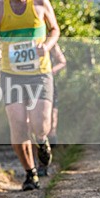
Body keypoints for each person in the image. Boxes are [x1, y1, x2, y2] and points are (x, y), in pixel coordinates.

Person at [0, 0, 60, 191]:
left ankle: (43, 142)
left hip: (40, 73)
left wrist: (47, 45)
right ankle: (30, 173)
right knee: (18, 125)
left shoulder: (40, 3)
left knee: (39, 124)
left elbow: (55, 29)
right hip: (11, 75)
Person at [38, 42, 66, 175]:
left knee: (52, 123)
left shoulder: (51, 43)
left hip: (48, 84)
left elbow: (62, 61)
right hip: (27, 84)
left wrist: (51, 70)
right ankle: (40, 164)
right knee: (33, 126)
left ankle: (52, 155)